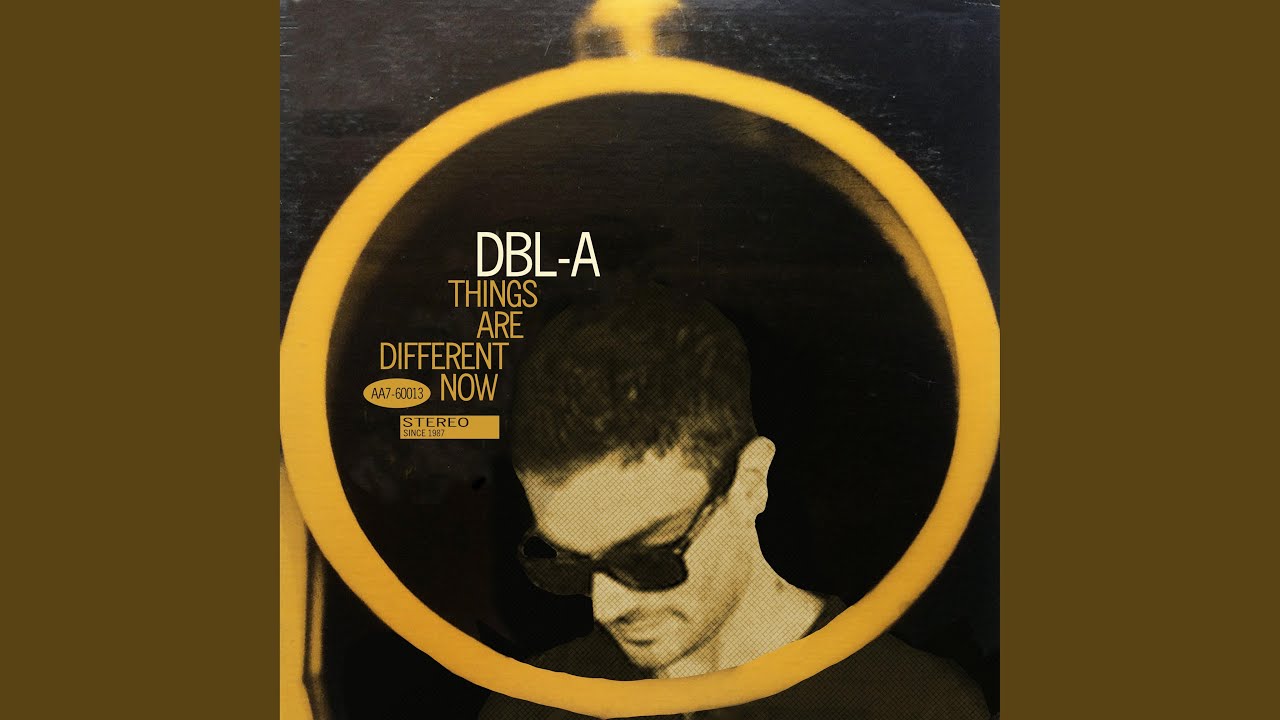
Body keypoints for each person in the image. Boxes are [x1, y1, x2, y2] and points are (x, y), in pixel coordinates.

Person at [480, 286, 988, 719]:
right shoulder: (533, 708)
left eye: (648, 558)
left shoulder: (915, 707)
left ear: (750, 483)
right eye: (568, 565)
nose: (608, 607)